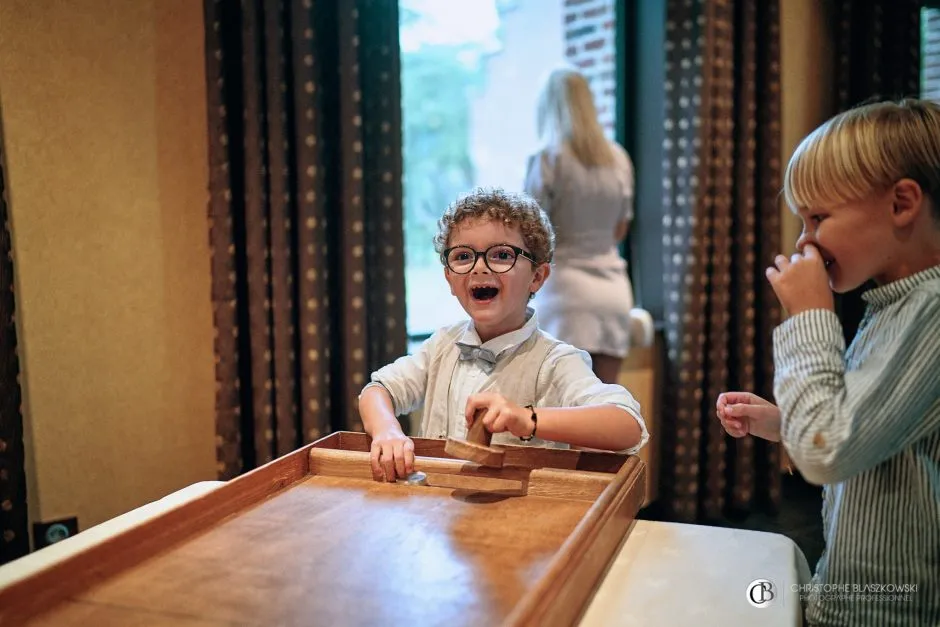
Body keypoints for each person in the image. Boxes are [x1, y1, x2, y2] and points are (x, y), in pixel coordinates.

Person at [716, 99, 940, 626]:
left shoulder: (929, 311)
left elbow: (829, 452)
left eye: (818, 217)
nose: (803, 239)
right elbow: (865, 428)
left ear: (902, 203)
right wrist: (782, 423)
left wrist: (809, 315)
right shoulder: (893, 306)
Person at [358, 187, 648, 482]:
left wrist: (528, 419)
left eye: (501, 255)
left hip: (516, 517)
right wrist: (387, 431)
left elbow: (627, 424)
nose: (479, 267)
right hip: (436, 511)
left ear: (537, 276)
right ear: (448, 276)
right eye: (462, 256)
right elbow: (377, 390)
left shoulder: (554, 361)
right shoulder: (441, 345)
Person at [523, 66, 641, 384]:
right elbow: (620, 229)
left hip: (565, 293)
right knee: (604, 406)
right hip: (613, 290)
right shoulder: (618, 159)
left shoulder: (548, 159)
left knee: (562, 410)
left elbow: (529, 233)